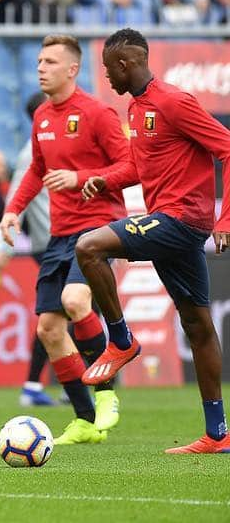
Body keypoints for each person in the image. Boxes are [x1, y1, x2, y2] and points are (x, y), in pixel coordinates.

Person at [77, 28, 230, 454]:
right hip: (172, 224)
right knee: (198, 325)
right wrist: (103, 181)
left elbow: (228, 148)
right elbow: (143, 169)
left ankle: (121, 340)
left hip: (180, 220)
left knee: (89, 247)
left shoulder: (174, 101)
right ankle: (218, 434)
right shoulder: (138, 109)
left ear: (125, 64)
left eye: (109, 70)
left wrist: (226, 217)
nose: (107, 78)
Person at [0, 35, 131, 445]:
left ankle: (107, 392)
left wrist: (82, 178)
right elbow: (36, 170)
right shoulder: (41, 116)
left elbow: (132, 164)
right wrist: (13, 210)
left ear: (72, 69)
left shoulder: (97, 113)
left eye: (50, 61)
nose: (41, 68)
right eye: (39, 60)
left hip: (97, 229)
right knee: (49, 330)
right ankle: (85, 420)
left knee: (75, 302)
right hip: (59, 233)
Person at [0, 92, 56, 407]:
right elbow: (17, 199)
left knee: (71, 315)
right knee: (59, 314)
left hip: (76, 240)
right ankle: (33, 386)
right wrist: (4, 250)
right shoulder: (33, 151)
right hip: (53, 243)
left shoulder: (62, 143)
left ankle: (56, 386)